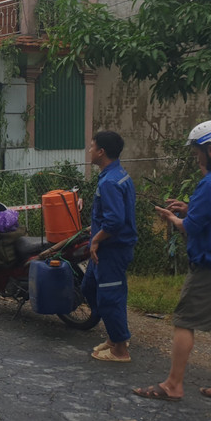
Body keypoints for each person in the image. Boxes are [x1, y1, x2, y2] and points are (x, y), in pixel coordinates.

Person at [133, 119, 211, 404]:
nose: (197, 158)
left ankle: (173, 385)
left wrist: (174, 218)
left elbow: (190, 227)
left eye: (197, 152)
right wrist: (190, 208)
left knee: (184, 322)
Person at [82, 131, 137, 362]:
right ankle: (115, 337)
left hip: (111, 249)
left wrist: (96, 239)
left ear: (101, 152)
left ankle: (120, 350)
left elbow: (115, 221)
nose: (89, 150)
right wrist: (95, 228)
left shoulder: (110, 182)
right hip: (107, 247)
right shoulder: (115, 175)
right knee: (89, 287)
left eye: (92, 146)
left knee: (109, 297)